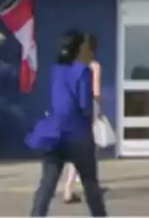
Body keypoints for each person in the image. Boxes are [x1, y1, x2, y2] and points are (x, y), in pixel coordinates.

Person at [28, 31, 108, 217]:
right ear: (79, 49)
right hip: (78, 134)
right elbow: (84, 105)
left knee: (47, 184)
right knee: (90, 183)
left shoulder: (56, 70)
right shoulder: (83, 71)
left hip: (54, 133)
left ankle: (36, 215)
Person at [62, 50, 102, 204]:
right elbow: (96, 91)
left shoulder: (70, 67)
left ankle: (70, 187)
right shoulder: (93, 66)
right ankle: (76, 188)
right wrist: (100, 110)